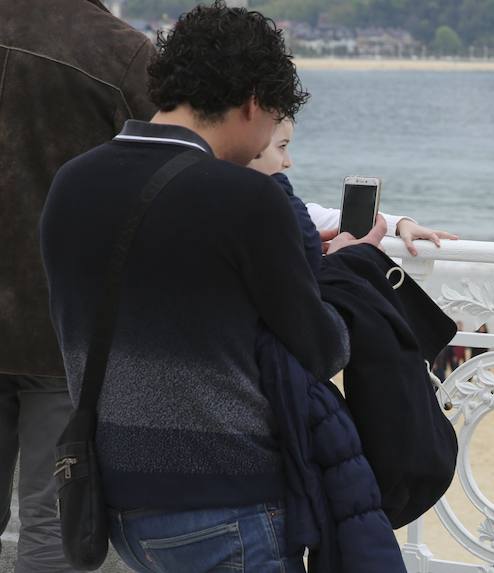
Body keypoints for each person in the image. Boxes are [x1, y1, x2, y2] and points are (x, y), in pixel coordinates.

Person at [40, 3, 378, 571]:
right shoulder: (248, 199)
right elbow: (324, 349)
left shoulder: (72, 182)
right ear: (252, 103)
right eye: (274, 121)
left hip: (116, 501)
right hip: (226, 498)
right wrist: (344, 267)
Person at [0, 1, 156, 570]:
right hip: (63, 327)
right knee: (52, 523)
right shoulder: (121, 53)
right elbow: (181, 168)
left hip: (53, 326)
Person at [248, 119, 458, 256]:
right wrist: (342, 257)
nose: (288, 162)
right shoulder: (273, 212)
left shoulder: (283, 209)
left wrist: (400, 224)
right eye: (282, 147)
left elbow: (329, 218)